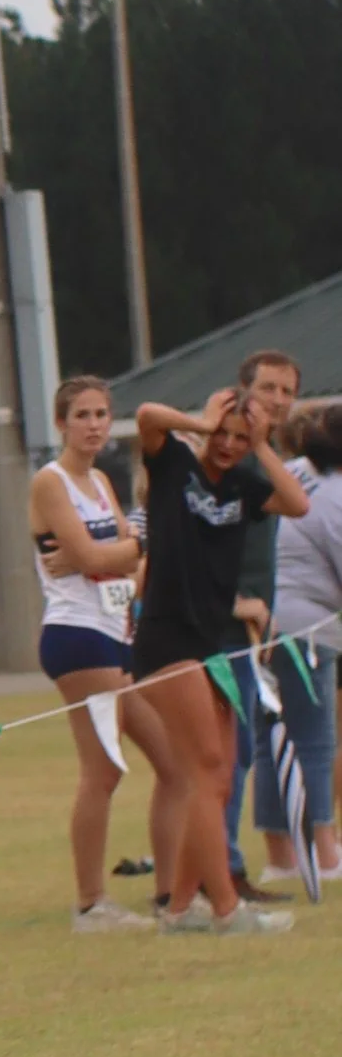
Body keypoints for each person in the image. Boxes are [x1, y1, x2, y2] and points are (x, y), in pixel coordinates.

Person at [130, 387, 307, 931]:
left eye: (238, 437)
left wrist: (263, 444)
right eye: (222, 435)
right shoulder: (175, 464)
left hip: (212, 642)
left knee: (222, 776)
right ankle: (226, 908)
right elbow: (147, 414)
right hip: (167, 637)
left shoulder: (244, 485)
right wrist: (205, 424)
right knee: (205, 768)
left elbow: (296, 503)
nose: (228, 445)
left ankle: (182, 910)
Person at [31, 376, 177, 931]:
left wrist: (114, 555)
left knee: (172, 762)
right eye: (82, 415)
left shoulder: (100, 483)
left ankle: (171, 894)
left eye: (100, 414)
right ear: (61, 423)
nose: (93, 424)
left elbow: (121, 565)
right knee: (104, 771)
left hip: (116, 632)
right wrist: (135, 545)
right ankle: (91, 904)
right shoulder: (50, 482)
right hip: (77, 635)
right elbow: (97, 552)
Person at [223, 350, 300, 896]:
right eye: (268, 388)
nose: (277, 400)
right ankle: (221, 871)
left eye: (288, 392)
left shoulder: (260, 460)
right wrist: (236, 603)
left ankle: (217, 867)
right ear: (244, 390)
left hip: (252, 626)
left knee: (241, 750)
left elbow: (294, 503)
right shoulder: (233, 458)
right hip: (218, 624)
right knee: (226, 754)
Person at [260, 401, 342, 882]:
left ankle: (282, 858)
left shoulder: (294, 471)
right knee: (315, 742)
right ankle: (323, 854)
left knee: (272, 744)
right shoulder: (335, 492)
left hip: (270, 623)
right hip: (307, 629)